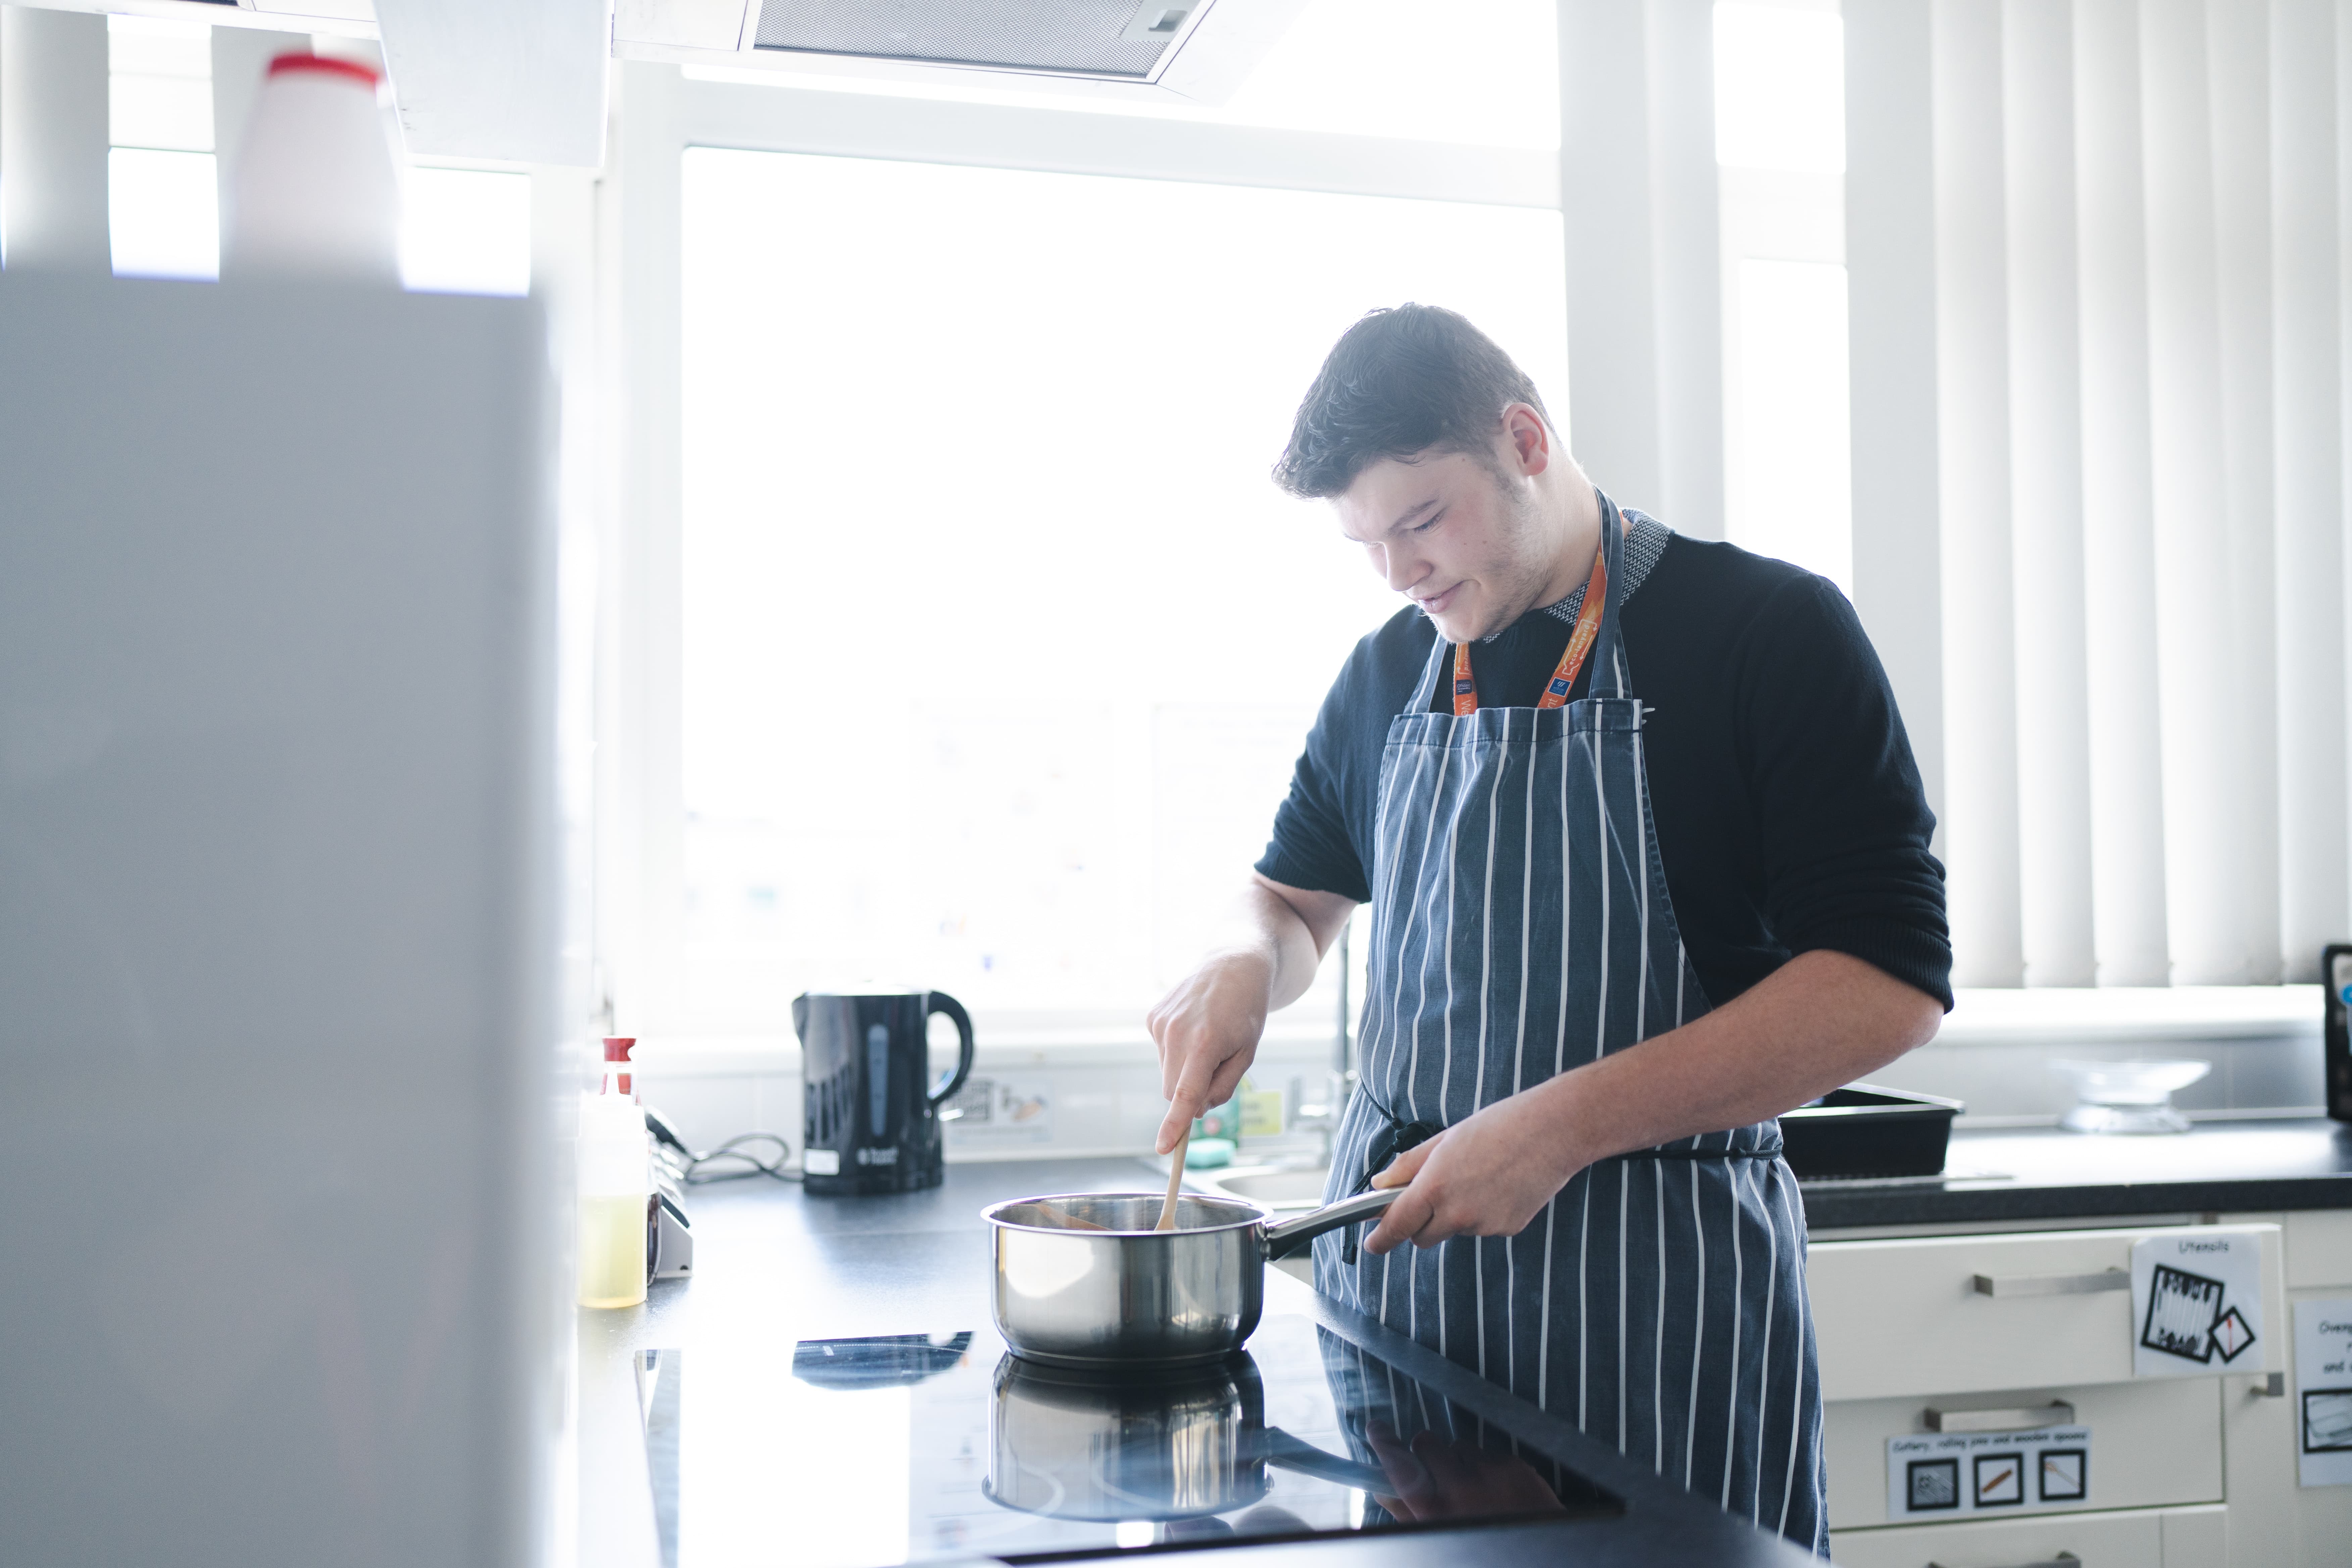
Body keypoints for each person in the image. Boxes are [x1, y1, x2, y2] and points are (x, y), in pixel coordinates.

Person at [1145, 304, 1951, 1553]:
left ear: (1524, 440)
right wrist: (1244, 959)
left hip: (1655, 1317)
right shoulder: (1385, 672)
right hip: (1402, 1315)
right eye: (1369, 544)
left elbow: (1885, 987)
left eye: (1423, 521)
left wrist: (1557, 1127)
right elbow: (1296, 899)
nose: (1403, 573)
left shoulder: (1767, 633)